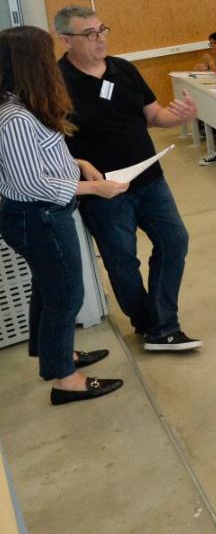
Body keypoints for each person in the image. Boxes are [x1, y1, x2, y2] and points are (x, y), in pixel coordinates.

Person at [55, 6, 202, 352]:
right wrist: (78, 164)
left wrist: (178, 117)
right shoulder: (55, 83)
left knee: (174, 240)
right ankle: (150, 325)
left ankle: (164, 324)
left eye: (102, 29)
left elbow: (153, 117)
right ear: (65, 40)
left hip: (149, 177)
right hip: (104, 191)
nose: (99, 38)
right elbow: (48, 141)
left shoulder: (124, 69)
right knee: (122, 261)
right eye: (88, 34)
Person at [0, 25, 127, 404]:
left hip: (38, 215)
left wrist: (78, 162)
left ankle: (53, 355)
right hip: (38, 217)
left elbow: (36, 160)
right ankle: (64, 379)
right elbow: (31, 182)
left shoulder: (21, 106)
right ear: (30, 65)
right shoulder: (15, 117)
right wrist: (94, 188)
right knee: (65, 295)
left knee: (49, 285)